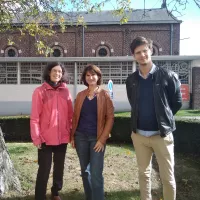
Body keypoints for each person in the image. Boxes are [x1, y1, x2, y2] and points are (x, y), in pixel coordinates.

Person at [126, 36, 182, 200]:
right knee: (144, 175)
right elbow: (133, 102)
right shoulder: (131, 80)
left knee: (167, 178)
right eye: (138, 52)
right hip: (139, 136)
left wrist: (163, 118)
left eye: (145, 50)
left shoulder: (168, 75)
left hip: (162, 136)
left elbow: (176, 103)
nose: (142, 55)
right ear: (134, 55)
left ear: (151, 50)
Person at [30, 62, 73, 200]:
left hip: (62, 138)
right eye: (54, 71)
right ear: (49, 72)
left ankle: (55, 192)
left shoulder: (66, 91)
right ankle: (40, 196)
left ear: (62, 74)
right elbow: (35, 117)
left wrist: (71, 133)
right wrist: (36, 138)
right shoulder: (40, 91)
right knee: (44, 170)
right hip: (45, 139)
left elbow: (70, 115)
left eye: (60, 72)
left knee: (59, 168)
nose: (57, 74)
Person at [71, 64, 114, 200]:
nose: (90, 77)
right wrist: (72, 136)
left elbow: (110, 118)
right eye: (88, 75)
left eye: (93, 75)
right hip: (80, 137)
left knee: (95, 173)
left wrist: (102, 139)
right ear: (85, 78)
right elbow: (75, 117)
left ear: (98, 76)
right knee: (85, 172)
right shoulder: (80, 95)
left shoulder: (104, 95)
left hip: (96, 139)